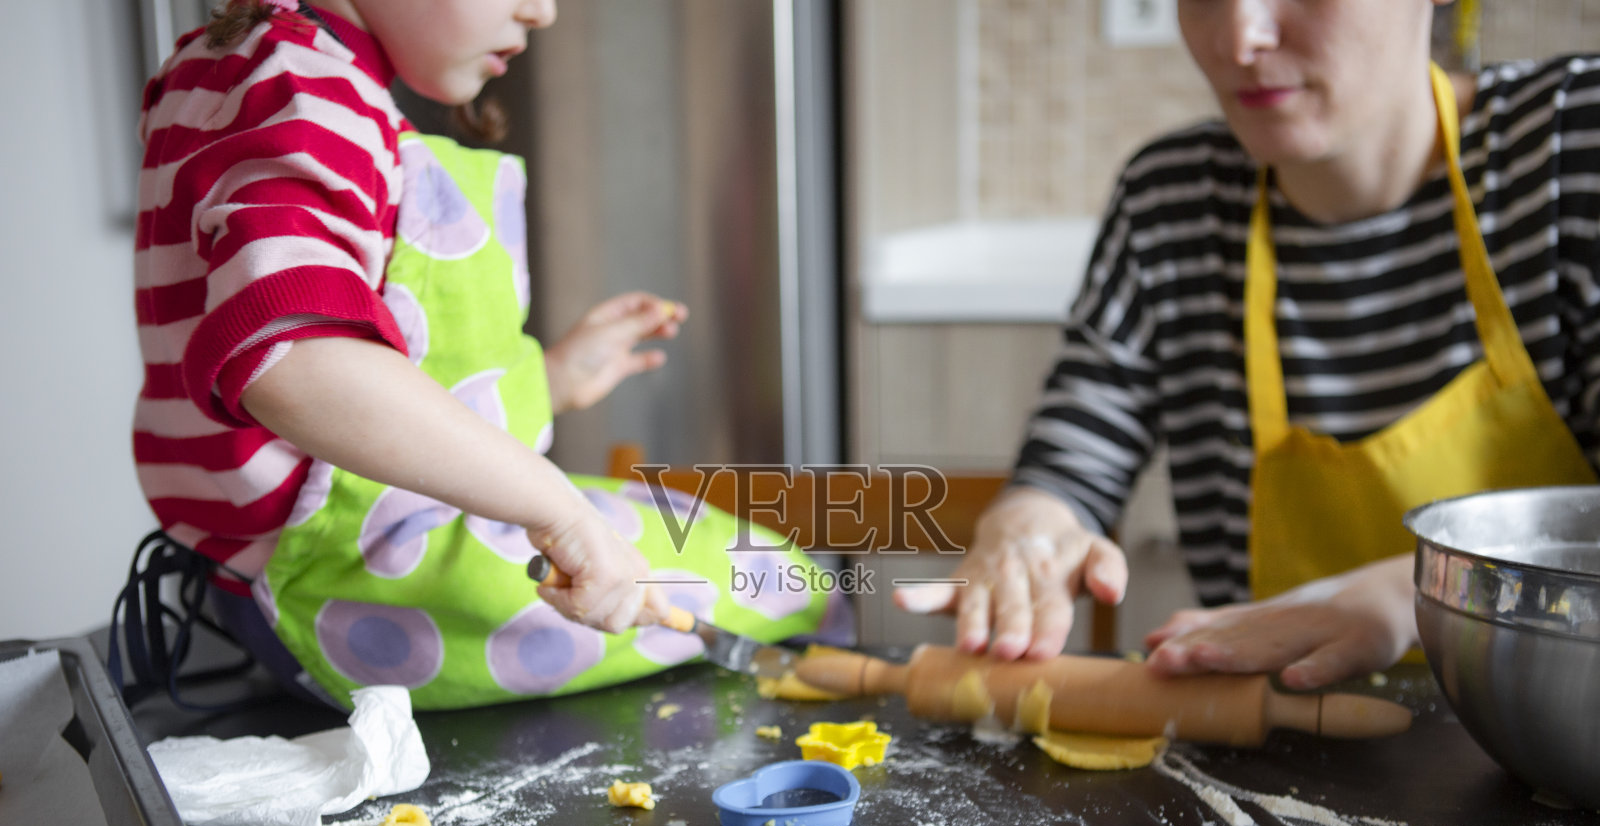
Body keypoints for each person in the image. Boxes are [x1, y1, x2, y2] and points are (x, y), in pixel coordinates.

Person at [131, 0, 832, 710]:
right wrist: (560, 513)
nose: (544, 12)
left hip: (282, 582)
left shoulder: (258, 75)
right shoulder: (304, 87)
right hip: (352, 588)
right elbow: (297, 363)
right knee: (779, 578)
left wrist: (548, 381)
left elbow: (383, 401)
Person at [899, 0, 1600, 690]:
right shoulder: (1171, 204)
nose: (1240, 36)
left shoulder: (1571, 147)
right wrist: (1030, 524)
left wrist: (1410, 595)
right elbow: (1072, 467)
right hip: (1266, 748)